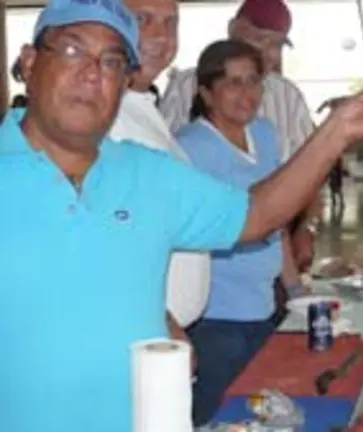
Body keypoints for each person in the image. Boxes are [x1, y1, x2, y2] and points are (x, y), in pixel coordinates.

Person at [1, 1, 363, 431]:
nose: (93, 73)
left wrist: (336, 131)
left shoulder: (148, 172)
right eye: (73, 50)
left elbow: (256, 214)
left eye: (112, 61)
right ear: (30, 62)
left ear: (125, 80)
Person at [160, 0, 317, 308]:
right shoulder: (188, 120)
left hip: (266, 288)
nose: (268, 52)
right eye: (260, 38)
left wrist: (305, 231)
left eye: (276, 44)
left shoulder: (275, 117)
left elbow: (306, 179)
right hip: (214, 297)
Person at [175, 40, 286, 427]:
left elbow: (279, 215)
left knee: (263, 413)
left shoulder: (266, 134)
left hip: (265, 309)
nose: (247, 93)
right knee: (217, 416)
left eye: (253, 81)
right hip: (216, 318)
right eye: (233, 83)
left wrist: (296, 287)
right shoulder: (189, 149)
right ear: (206, 92)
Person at [108, 0, 203, 352]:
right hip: (135, 340)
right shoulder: (101, 114)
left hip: (158, 339)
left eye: (170, 22)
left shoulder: (141, 107)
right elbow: (90, 239)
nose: (159, 35)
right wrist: (162, 319)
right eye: (142, 20)